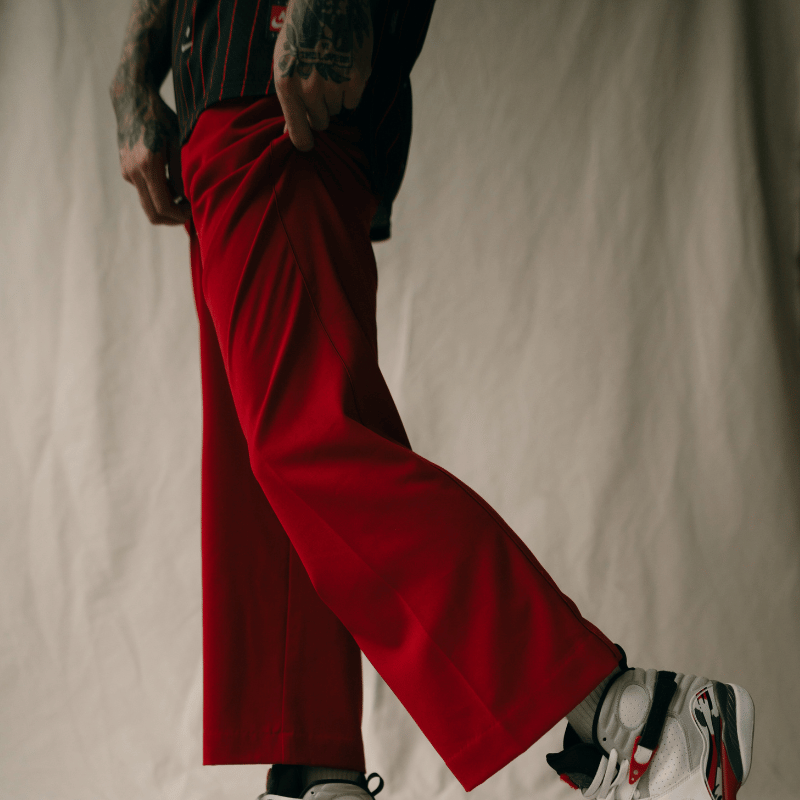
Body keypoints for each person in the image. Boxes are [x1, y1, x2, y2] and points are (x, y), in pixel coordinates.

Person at [109, 2, 755, 799]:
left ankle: (639, 714)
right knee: (271, 476)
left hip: (274, 83)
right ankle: (319, 779)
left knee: (306, 437)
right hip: (212, 103)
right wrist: (133, 77)